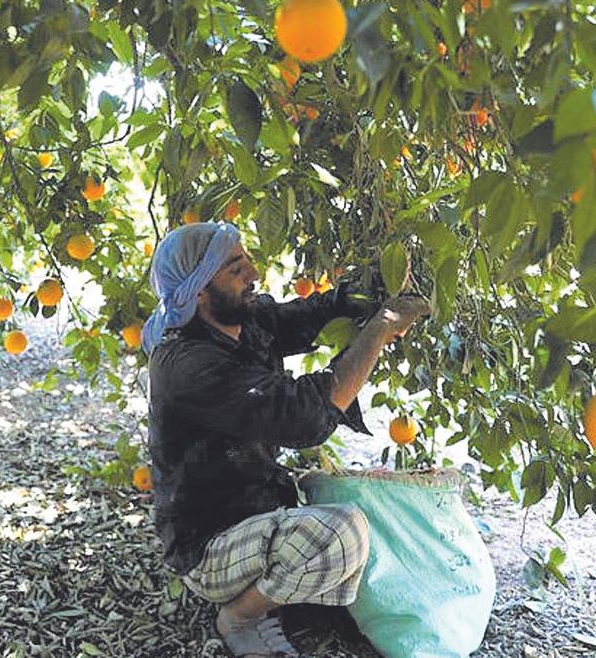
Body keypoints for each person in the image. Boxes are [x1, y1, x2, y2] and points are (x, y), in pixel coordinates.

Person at [143, 221, 431, 657]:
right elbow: (303, 416)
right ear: (199, 290)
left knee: (373, 506)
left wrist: (382, 277)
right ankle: (240, 616)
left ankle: (290, 589)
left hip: (262, 510)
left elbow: (315, 314)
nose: (253, 273)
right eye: (236, 268)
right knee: (340, 533)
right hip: (210, 544)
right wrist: (382, 327)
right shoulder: (185, 365)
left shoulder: (243, 320)